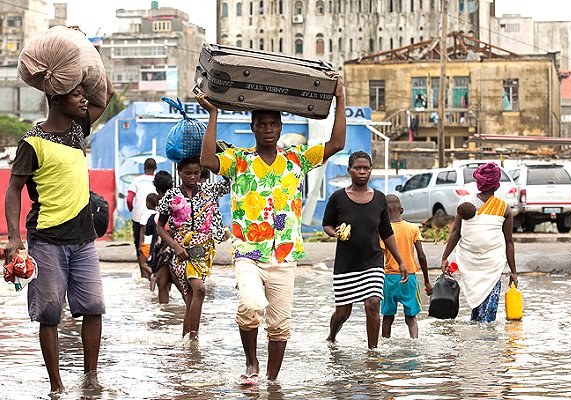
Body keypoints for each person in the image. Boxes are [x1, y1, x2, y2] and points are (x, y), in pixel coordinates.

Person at [197, 71, 346, 384]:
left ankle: (271, 380)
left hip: (285, 253)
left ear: (281, 127)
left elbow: (336, 143)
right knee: (250, 306)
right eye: (262, 124)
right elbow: (208, 161)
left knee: (280, 324)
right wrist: (213, 114)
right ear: (252, 127)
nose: (268, 130)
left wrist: (339, 97)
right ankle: (252, 362)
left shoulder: (297, 158)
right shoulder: (239, 159)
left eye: (273, 124)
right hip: (248, 252)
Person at [4, 79, 114, 394]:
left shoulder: (78, 130)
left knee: (94, 307)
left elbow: (105, 96)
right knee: (50, 314)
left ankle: (91, 379)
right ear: (56, 99)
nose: (84, 100)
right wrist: (14, 237)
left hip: (83, 241)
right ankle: (57, 386)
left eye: (83, 95)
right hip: (46, 240)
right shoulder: (32, 142)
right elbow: (13, 190)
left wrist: (89, 52)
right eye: (76, 95)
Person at [322, 151, 409, 349]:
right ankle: (332, 336)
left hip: (373, 262)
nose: (362, 172)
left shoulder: (379, 198)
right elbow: (326, 224)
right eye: (357, 168)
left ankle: (373, 352)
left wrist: (401, 261)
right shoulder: (338, 198)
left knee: (373, 304)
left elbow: (386, 232)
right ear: (349, 171)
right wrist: (334, 232)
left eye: (366, 168)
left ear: (371, 171)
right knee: (343, 313)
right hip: (346, 265)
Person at [156, 158, 230, 342]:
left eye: (196, 173)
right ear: (179, 172)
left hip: (204, 251)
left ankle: (187, 340)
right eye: (188, 173)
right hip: (182, 251)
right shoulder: (171, 196)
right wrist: (175, 245)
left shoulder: (209, 191)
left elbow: (231, 182)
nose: (192, 177)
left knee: (190, 297)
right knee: (200, 289)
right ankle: (194, 338)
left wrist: (218, 156)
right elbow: (159, 226)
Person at [440, 162, 518, 323]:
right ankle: (486, 344)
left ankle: (476, 343)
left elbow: (456, 233)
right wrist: (513, 272)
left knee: (476, 310)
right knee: (488, 316)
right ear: (496, 186)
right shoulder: (504, 208)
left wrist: (445, 257)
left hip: (470, 263)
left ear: (478, 183)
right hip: (493, 266)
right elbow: (509, 242)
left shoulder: (465, 205)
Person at [381, 194, 433, 339]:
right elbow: (421, 256)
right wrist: (427, 282)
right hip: (409, 278)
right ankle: (414, 342)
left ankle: (384, 345)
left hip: (389, 278)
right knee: (411, 318)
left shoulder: (383, 231)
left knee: (387, 317)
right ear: (402, 210)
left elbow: (379, 258)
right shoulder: (412, 228)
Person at [147, 170, 175, 303]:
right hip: (177, 246)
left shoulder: (162, 204)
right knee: (184, 287)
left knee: (162, 284)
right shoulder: (178, 198)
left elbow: (164, 229)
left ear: (157, 188)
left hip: (165, 247)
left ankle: (164, 315)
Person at [127, 157, 157, 279]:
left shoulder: (136, 181)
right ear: (155, 169)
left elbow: (129, 199)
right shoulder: (158, 180)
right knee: (155, 242)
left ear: (144, 168)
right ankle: (155, 270)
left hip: (139, 217)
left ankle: (143, 272)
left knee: (139, 244)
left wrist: (133, 211)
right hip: (156, 217)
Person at [138, 193, 158, 274]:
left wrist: (140, 244)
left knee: (143, 264)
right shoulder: (158, 214)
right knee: (152, 264)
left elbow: (143, 230)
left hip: (146, 243)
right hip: (155, 243)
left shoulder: (145, 214)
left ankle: (154, 275)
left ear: (148, 203)